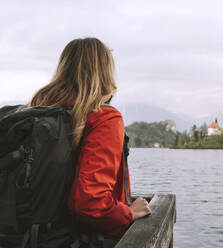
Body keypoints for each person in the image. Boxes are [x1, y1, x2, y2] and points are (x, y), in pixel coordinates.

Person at [28, 37, 152, 247]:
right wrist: (128, 213)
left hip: (26, 237)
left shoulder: (34, 112)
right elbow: (89, 202)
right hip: (74, 239)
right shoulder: (104, 118)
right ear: (104, 72)